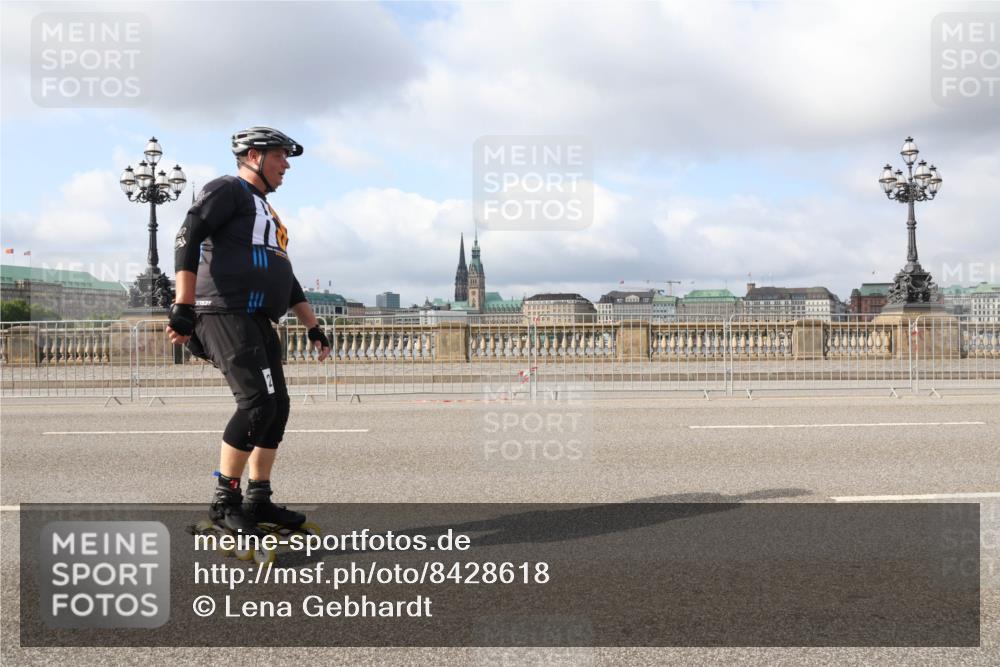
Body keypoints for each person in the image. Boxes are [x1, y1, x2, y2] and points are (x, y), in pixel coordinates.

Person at [166, 126, 331, 533]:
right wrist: (182, 305)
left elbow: (285, 276)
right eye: (280, 156)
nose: (286, 165)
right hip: (224, 311)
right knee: (256, 404)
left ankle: (258, 499)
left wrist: (313, 326)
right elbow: (187, 238)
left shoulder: (266, 212)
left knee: (277, 408)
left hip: (257, 318)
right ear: (255, 156)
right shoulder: (229, 189)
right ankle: (225, 501)